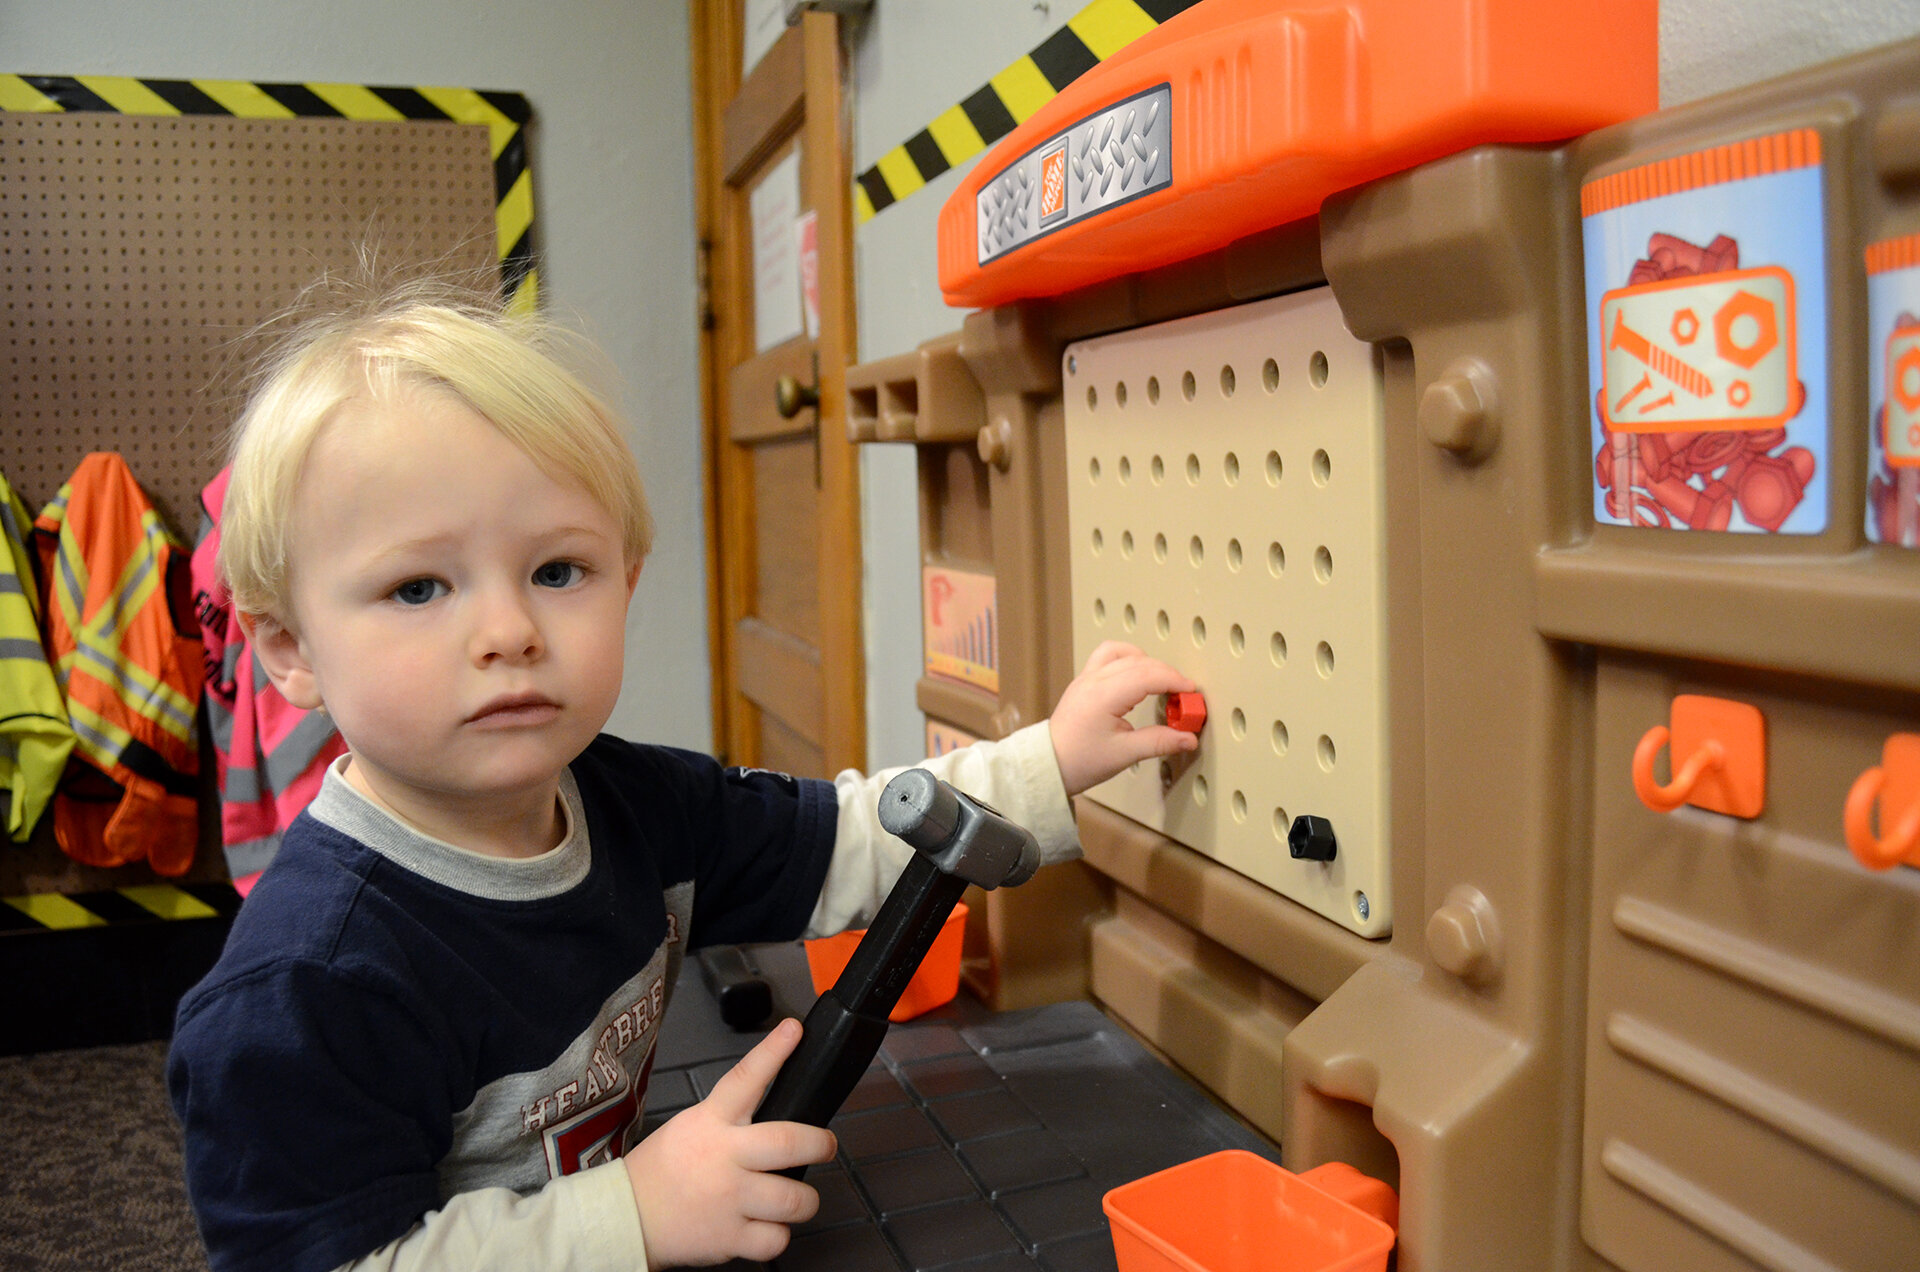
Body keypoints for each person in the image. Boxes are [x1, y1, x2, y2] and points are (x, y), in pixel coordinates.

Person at [166, 287, 1199, 1272]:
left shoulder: (633, 803)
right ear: (289, 647)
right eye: (418, 587)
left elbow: (845, 836)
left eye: (558, 571)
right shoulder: (305, 990)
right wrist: (637, 1213)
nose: (509, 632)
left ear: (629, 581)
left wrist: (1048, 762)